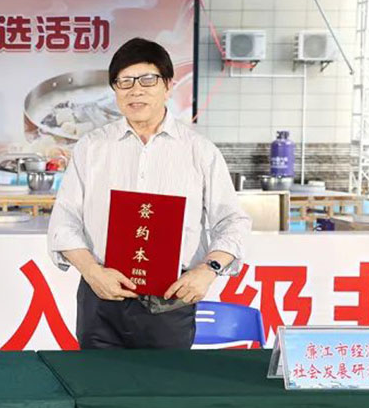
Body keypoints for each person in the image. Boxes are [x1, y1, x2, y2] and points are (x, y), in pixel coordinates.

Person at [47, 38, 251, 349]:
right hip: (102, 296)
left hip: (170, 299)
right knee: (94, 380)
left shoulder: (199, 151)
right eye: (125, 81)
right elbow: (64, 221)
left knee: (163, 381)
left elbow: (233, 221)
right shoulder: (92, 147)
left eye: (147, 80)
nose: (135, 90)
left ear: (168, 85)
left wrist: (207, 270)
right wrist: (91, 271)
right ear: (114, 89)